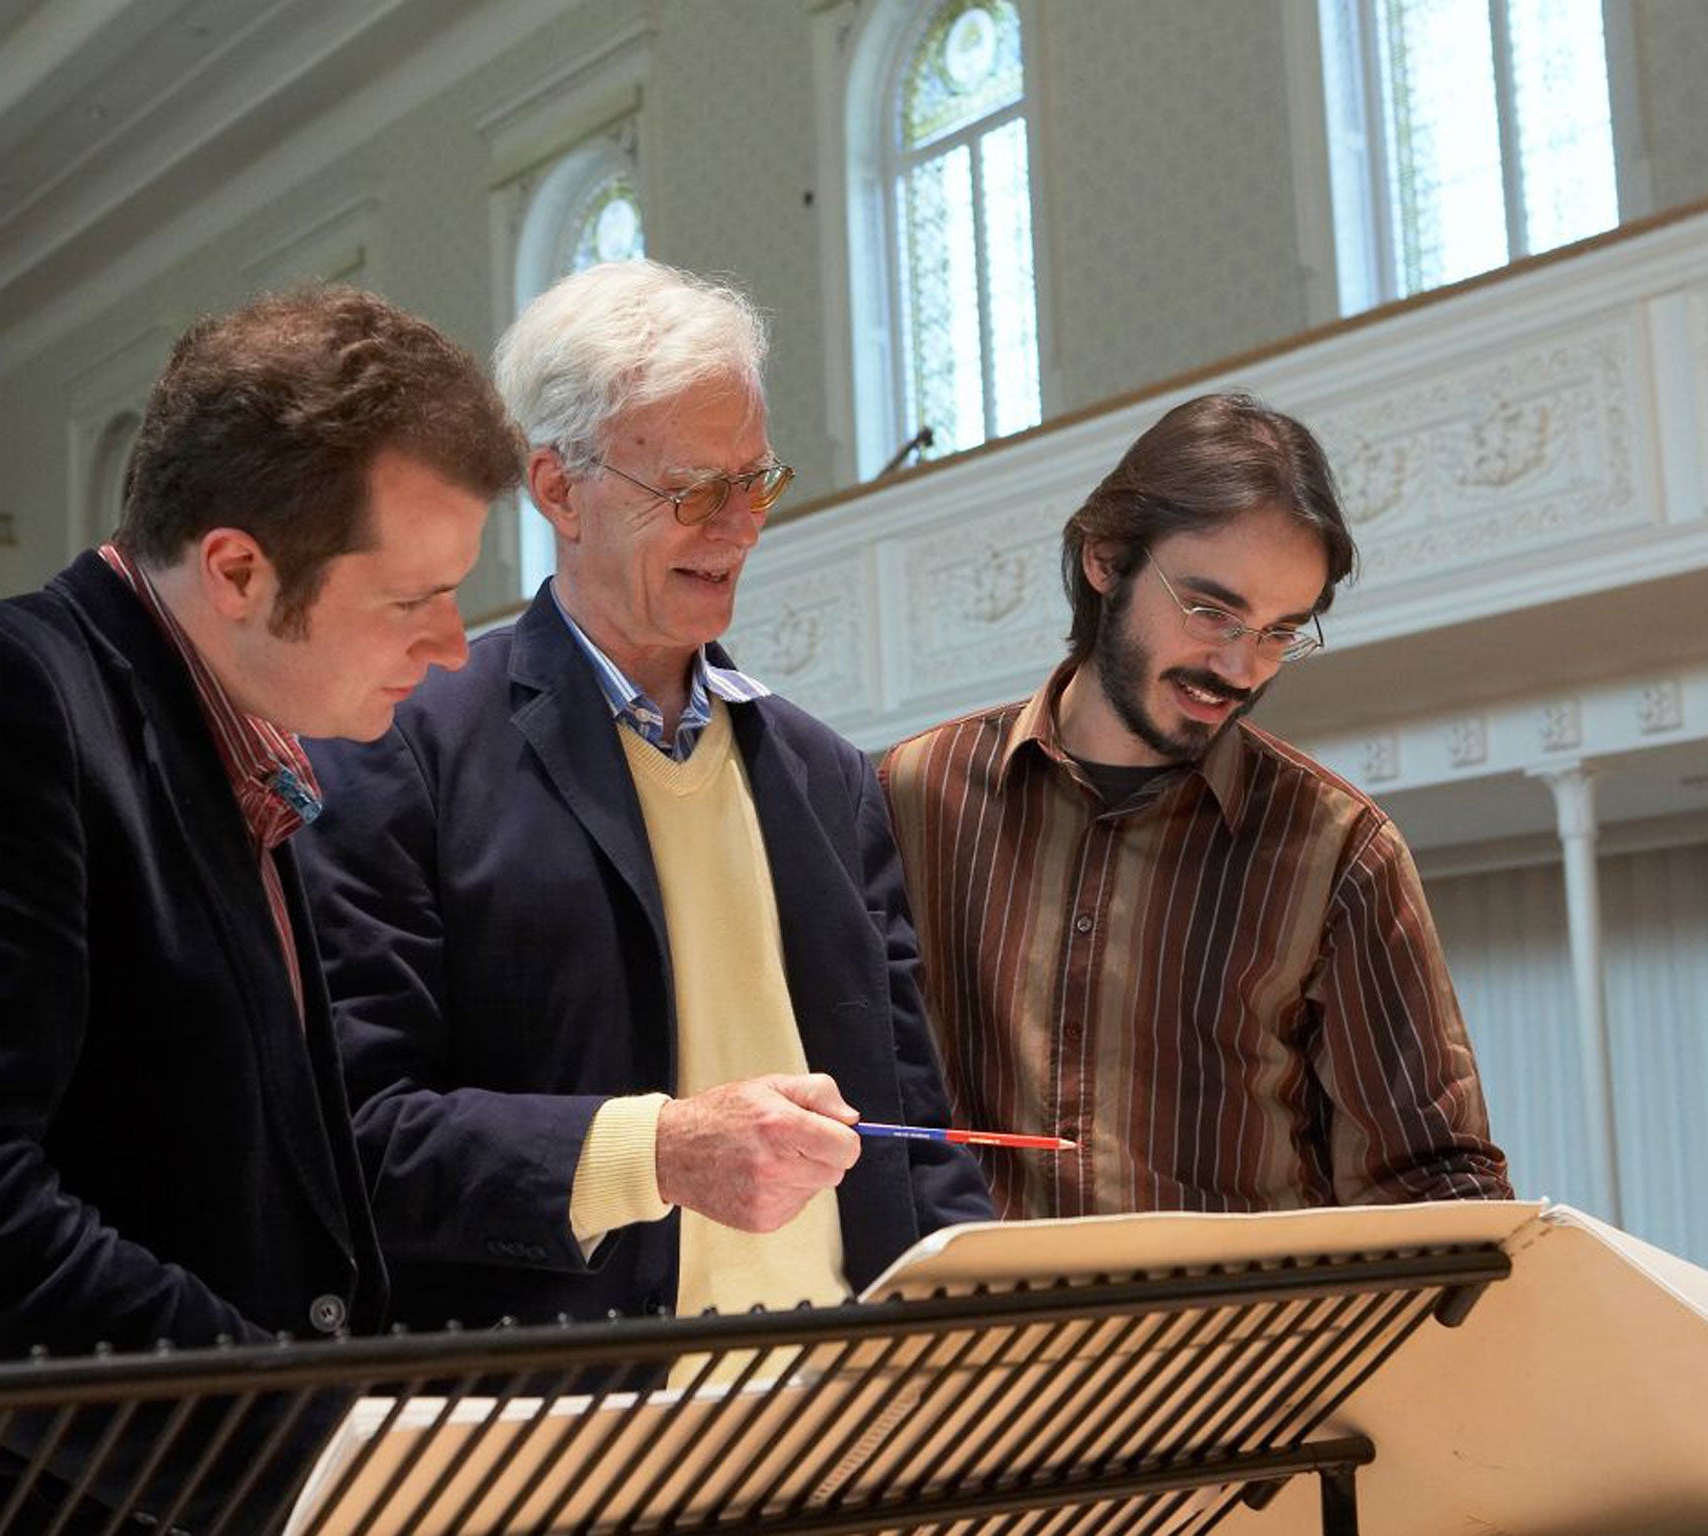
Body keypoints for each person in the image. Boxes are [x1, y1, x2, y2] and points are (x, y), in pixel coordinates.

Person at [0, 288, 524, 1532]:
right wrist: (317, 1459)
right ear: (239, 569)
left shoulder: (239, 763)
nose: (454, 647)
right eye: (414, 598)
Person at [297, 260, 991, 1334]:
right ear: (559, 489)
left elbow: (910, 1129)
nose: (737, 527)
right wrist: (654, 1154)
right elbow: (356, 1138)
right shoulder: (406, 750)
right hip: (570, 1425)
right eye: (691, 492)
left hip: (843, 1412)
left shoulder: (825, 776)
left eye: (753, 481)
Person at [880, 391, 1514, 1221]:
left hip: (1246, 1349)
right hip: (979, 1343)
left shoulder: (1340, 849)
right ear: (1106, 559)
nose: (1241, 668)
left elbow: (1432, 1176)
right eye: (1212, 611)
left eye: (1280, 632)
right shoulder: (912, 794)